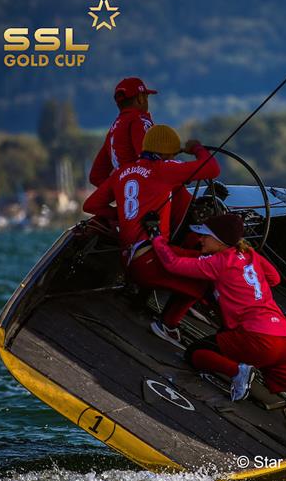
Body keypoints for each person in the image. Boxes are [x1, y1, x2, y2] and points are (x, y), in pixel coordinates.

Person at [148, 214, 286, 440]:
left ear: (220, 241)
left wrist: (156, 237)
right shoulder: (250, 253)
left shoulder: (217, 262)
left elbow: (172, 264)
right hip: (285, 338)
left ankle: (238, 371)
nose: (200, 240)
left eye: (205, 236)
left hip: (255, 336)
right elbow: (274, 278)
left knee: (195, 352)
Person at [82, 124, 220, 345]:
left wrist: (124, 217)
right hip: (151, 261)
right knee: (208, 273)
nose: (174, 158)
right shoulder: (163, 170)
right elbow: (212, 169)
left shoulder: (123, 172)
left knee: (196, 261)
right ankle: (168, 325)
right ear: (165, 153)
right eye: (173, 154)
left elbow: (90, 204)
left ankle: (155, 312)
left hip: (129, 260)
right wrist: (197, 149)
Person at [89, 77, 157, 187]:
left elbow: (96, 176)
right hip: (149, 195)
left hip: (129, 198)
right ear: (140, 98)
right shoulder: (139, 120)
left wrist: (121, 193)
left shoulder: (113, 130)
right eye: (146, 96)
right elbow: (150, 160)